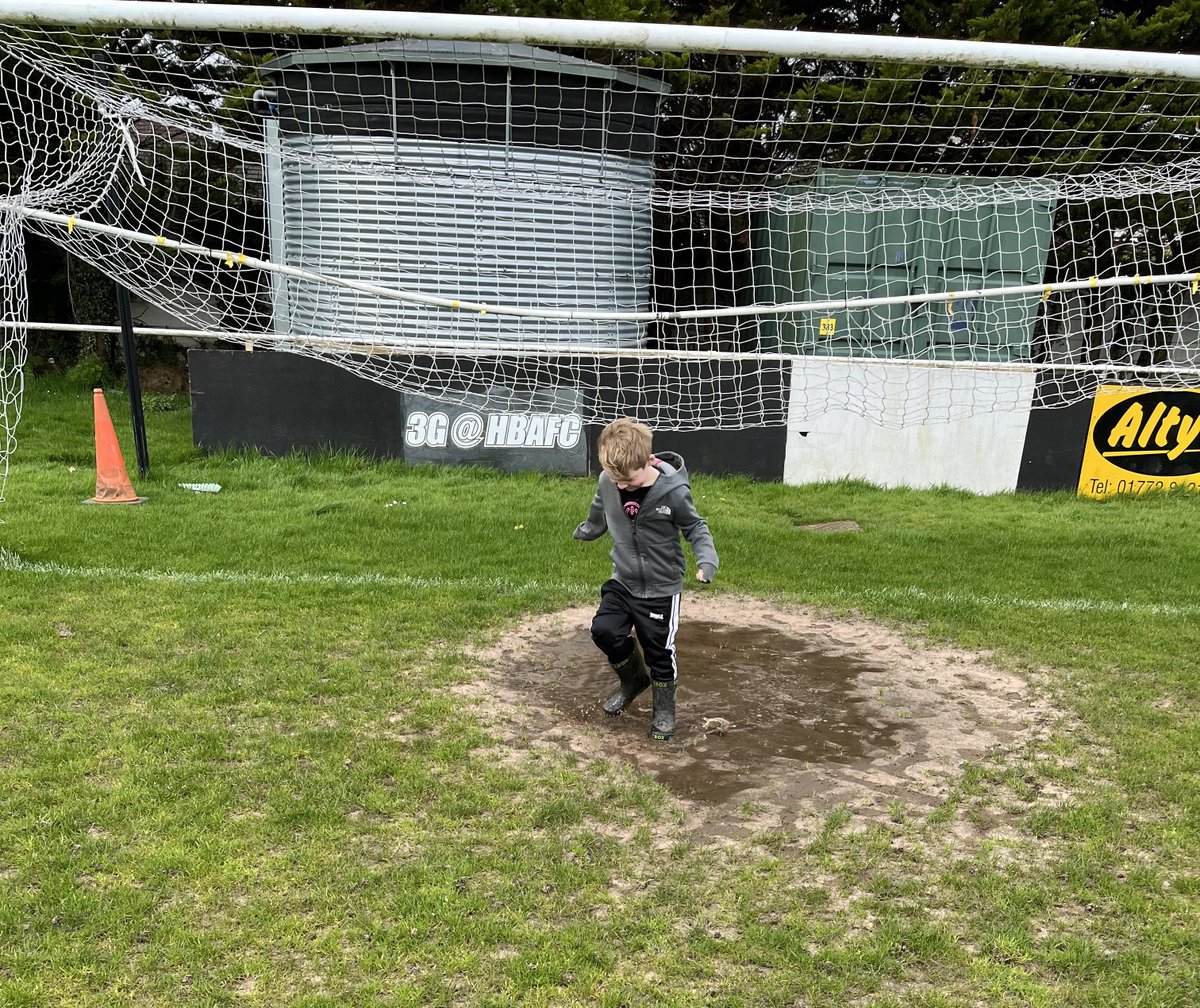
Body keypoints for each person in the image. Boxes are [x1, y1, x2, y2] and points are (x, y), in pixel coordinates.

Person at [573, 417, 719, 741]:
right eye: (616, 480)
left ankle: (664, 711)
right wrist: (588, 530)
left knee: (659, 652)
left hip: (660, 589)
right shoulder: (608, 481)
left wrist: (706, 560)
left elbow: (696, 528)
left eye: (629, 480)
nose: (622, 486)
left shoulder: (674, 491)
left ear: (649, 462)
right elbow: (600, 511)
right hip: (623, 580)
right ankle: (633, 681)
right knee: (604, 630)